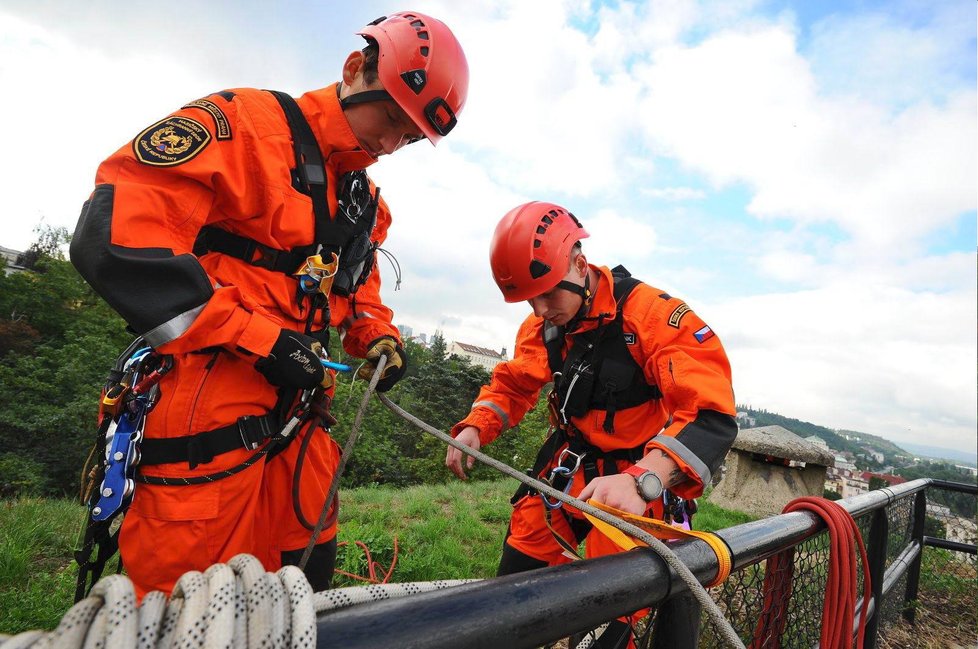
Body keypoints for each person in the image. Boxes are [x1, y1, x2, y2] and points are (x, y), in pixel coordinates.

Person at [70, 11, 468, 598]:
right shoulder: (244, 126)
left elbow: (354, 291)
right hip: (208, 413)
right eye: (390, 120)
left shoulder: (363, 201)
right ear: (355, 69)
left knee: (303, 587)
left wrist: (378, 338)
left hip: (303, 422)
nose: (389, 145)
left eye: (408, 138)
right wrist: (262, 341)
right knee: (194, 604)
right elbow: (114, 238)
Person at [446, 201, 737, 646]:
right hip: (566, 470)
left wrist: (645, 481)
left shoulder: (654, 317)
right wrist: (477, 425)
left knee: (611, 616)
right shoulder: (544, 325)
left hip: (631, 483)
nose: (540, 309)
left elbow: (709, 411)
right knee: (511, 592)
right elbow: (515, 384)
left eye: (546, 293)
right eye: (529, 298)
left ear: (580, 264)